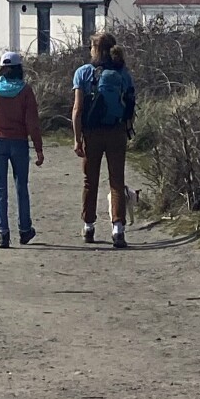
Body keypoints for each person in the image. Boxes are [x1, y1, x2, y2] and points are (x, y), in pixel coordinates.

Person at [72, 32, 138, 249]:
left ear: (95, 49)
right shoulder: (123, 73)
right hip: (116, 131)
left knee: (90, 181)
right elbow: (130, 103)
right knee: (116, 181)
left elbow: (77, 109)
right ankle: (118, 228)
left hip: (91, 133)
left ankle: (89, 226)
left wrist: (77, 138)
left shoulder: (83, 73)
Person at [0, 52, 45, 248]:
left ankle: (3, 233)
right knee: (21, 187)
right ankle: (24, 230)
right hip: (18, 142)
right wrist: (39, 148)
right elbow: (32, 123)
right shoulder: (25, 91)